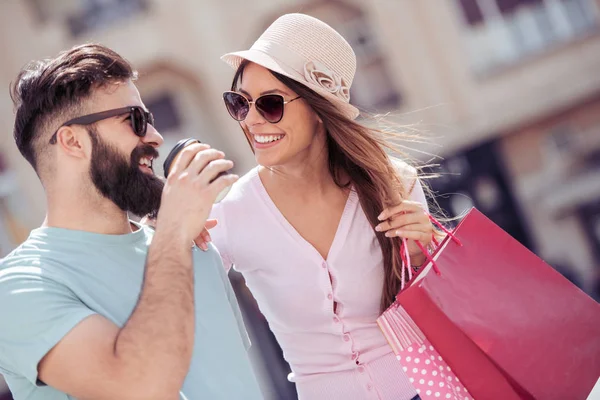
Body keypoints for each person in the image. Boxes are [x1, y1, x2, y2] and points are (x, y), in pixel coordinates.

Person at [0, 44, 262, 400]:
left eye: (149, 119)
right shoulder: (16, 288)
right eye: (135, 120)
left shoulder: (194, 249)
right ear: (73, 141)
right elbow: (137, 385)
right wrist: (172, 233)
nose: (155, 137)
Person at [210, 13, 435, 400]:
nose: (251, 120)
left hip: (424, 389)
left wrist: (422, 254)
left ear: (318, 108)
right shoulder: (231, 214)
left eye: (270, 104)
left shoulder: (395, 183)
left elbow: (441, 313)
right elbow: (182, 304)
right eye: (239, 103)